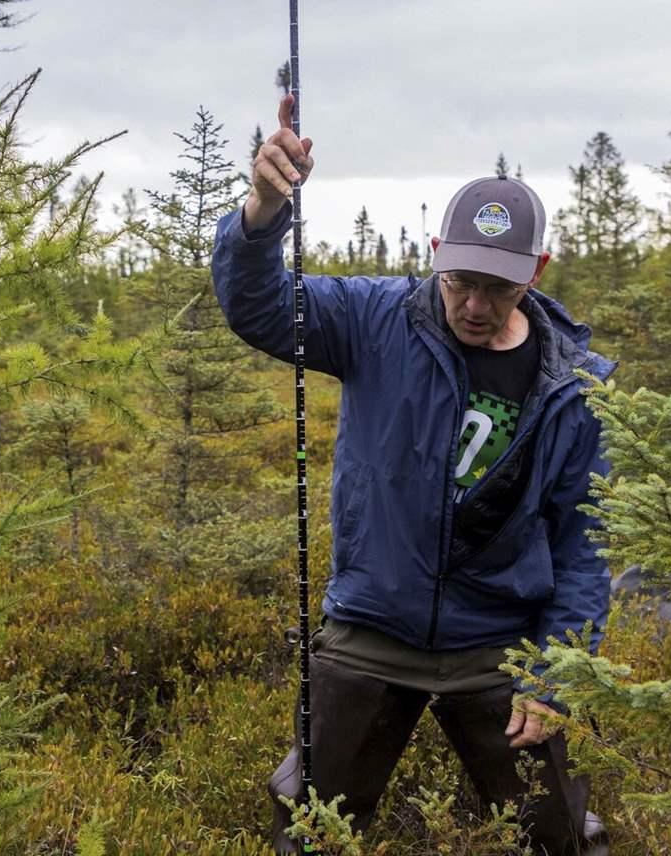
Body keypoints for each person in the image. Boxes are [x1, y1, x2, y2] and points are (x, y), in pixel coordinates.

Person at [212, 97, 612, 856]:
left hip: (501, 643)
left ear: (537, 272)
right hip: (372, 625)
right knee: (313, 832)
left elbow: (583, 545)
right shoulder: (375, 318)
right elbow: (258, 308)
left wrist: (555, 677)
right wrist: (262, 211)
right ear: (435, 254)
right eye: (460, 280)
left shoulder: (575, 386)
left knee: (554, 836)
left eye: (500, 287)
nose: (475, 305)